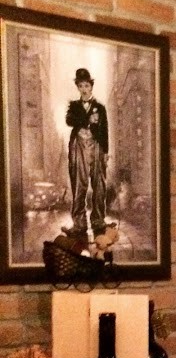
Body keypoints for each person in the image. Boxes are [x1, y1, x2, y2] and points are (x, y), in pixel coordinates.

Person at [62, 68, 109, 240]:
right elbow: (69, 121)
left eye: (87, 85)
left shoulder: (100, 108)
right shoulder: (74, 106)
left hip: (96, 146)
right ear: (78, 87)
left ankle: (98, 221)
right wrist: (87, 120)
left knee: (99, 183)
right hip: (79, 146)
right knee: (79, 184)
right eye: (81, 86)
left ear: (91, 86)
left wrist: (106, 152)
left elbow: (104, 130)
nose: (84, 89)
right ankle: (79, 223)